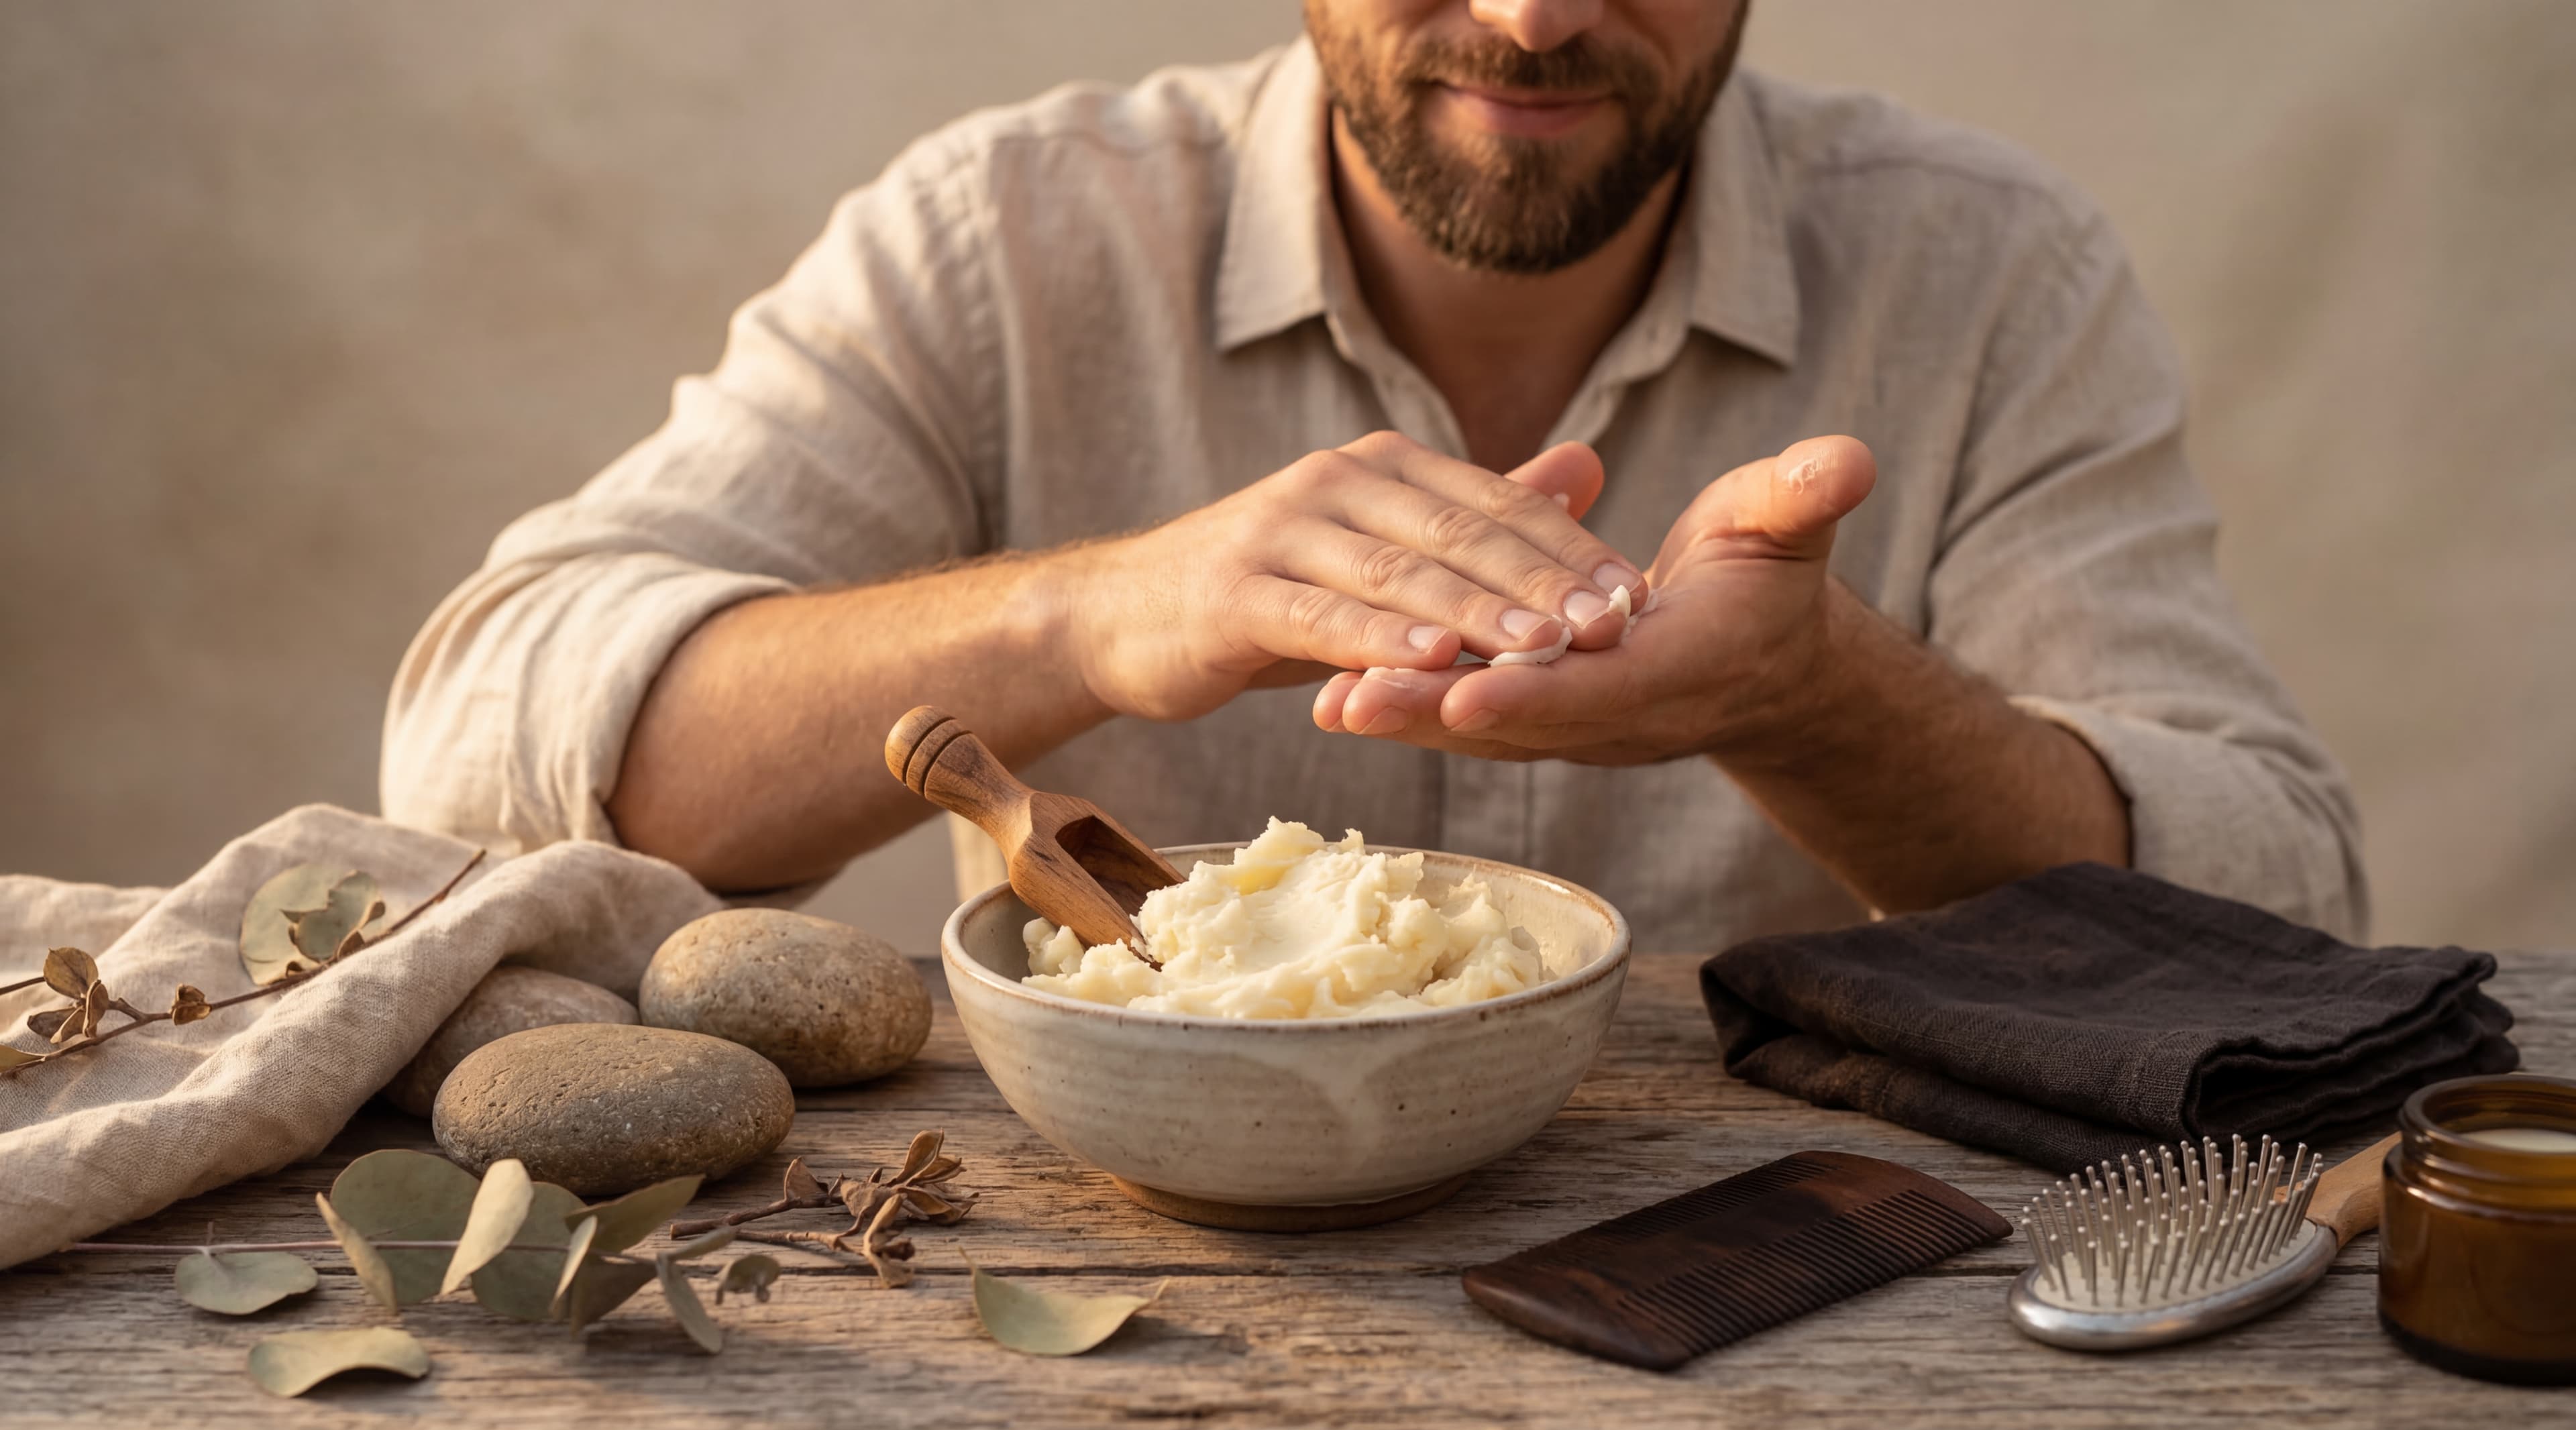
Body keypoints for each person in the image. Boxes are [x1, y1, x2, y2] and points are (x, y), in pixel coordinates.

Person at [384, 0, 2366, 952]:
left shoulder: (1990, 268)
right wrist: (1095, 613)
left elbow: (2281, 897)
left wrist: (1819, 701)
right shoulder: (1001, 234)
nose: (1532, 16)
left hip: (1803, 1303)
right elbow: (482, 740)